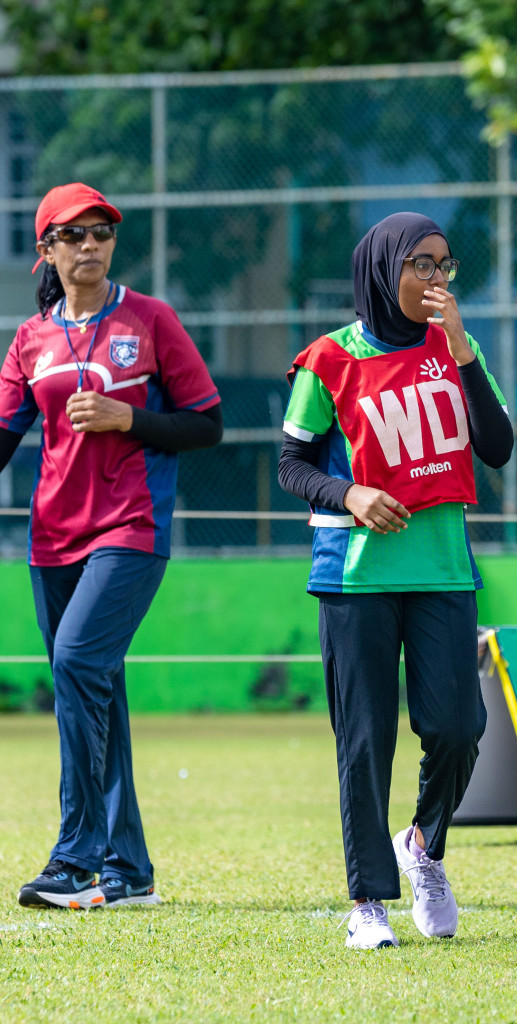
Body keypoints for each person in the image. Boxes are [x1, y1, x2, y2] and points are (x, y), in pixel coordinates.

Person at [277, 212, 513, 950]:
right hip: (355, 578)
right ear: (383, 269)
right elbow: (291, 466)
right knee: (365, 739)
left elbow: (499, 449)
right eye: (420, 264)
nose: (436, 279)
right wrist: (347, 495)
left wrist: (463, 348)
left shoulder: (459, 352)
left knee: (459, 728)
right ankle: (368, 901)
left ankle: (426, 849)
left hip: (443, 569)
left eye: (445, 265)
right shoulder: (328, 359)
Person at [0, 183, 223, 910]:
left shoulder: (151, 319)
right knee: (99, 687)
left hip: (130, 528)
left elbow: (206, 424)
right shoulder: (29, 339)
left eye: (101, 232)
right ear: (48, 251)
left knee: (76, 662)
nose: (90, 244)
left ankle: (77, 859)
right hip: (51, 537)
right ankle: (130, 871)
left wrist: (129, 417)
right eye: (73, 235)